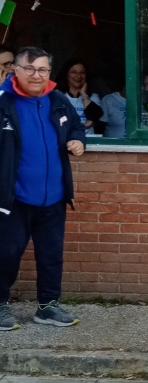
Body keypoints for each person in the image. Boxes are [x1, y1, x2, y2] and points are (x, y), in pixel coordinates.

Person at [0, 47, 86, 330]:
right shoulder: (3, 101)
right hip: (13, 198)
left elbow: (77, 127)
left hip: (54, 197)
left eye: (42, 70)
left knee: (51, 255)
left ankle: (48, 307)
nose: (36, 75)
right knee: (6, 253)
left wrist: (78, 141)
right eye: (29, 68)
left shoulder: (57, 99)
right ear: (16, 70)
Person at [56, 59, 102, 136]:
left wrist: (84, 94)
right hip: (65, 139)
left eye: (82, 72)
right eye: (73, 72)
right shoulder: (57, 95)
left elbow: (93, 119)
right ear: (66, 75)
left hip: (88, 140)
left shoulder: (93, 97)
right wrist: (82, 125)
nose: (78, 76)